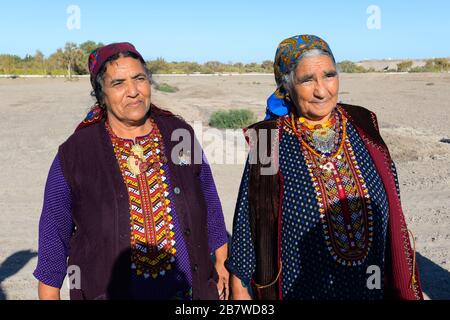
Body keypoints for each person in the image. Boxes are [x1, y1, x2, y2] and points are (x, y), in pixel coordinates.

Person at [226, 35, 423, 300]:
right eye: (307, 80)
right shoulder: (267, 141)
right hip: (302, 289)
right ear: (286, 86)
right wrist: (239, 286)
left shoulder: (364, 124)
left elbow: (393, 202)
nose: (322, 90)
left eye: (329, 75)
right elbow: (249, 219)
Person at [33, 42, 229, 300]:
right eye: (118, 83)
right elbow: (53, 235)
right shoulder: (75, 153)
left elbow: (209, 202)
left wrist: (222, 264)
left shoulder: (179, 134)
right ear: (101, 94)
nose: (133, 91)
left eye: (139, 78)